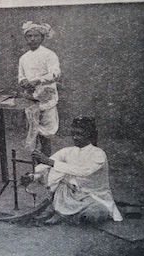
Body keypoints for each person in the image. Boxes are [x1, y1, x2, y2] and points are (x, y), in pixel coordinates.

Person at [21, 117, 123, 225]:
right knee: (59, 178)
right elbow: (47, 165)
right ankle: (63, 213)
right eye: (73, 134)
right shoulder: (68, 151)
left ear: (89, 135)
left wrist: (50, 162)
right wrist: (32, 176)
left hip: (93, 196)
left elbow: (83, 171)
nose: (75, 137)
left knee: (92, 215)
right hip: (70, 195)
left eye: (79, 134)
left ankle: (63, 214)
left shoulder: (98, 154)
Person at [18, 21, 61, 155]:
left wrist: (38, 81)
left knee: (46, 134)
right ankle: (35, 168)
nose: (32, 39)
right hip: (31, 99)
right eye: (29, 36)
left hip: (46, 99)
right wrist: (24, 81)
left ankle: (46, 164)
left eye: (36, 36)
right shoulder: (23, 58)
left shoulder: (49, 54)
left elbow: (55, 74)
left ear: (42, 37)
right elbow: (21, 76)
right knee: (33, 131)